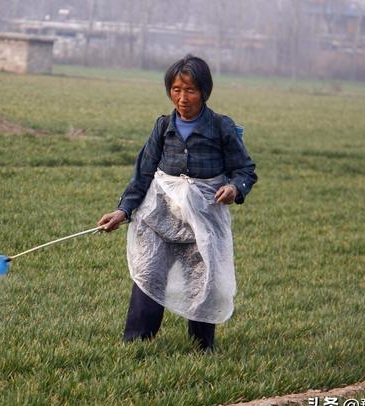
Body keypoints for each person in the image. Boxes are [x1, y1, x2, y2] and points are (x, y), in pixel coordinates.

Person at [97, 55, 257, 351]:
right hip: (160, 218)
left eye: (190, 91)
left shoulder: (221, 128)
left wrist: (234, 188)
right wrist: (123, 210)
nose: (182, 98)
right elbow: (143, 174)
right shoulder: (162, 127)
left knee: (203, 280)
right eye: (176, 90)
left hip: (203, 221)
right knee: (149, 272)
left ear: (204, 92)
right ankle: (137, 343)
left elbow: (245, 170)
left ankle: (201, 347)